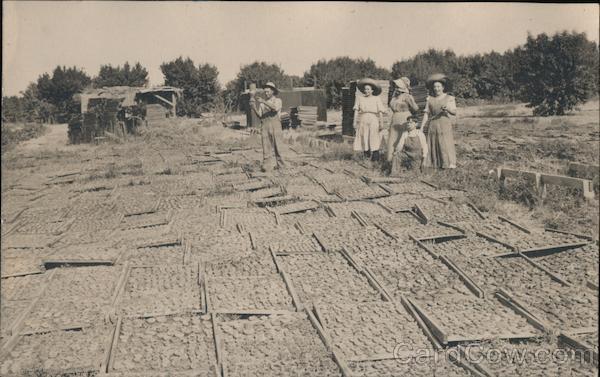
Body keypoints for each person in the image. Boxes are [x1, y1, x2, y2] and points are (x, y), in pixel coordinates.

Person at [421, 73, 457, 169]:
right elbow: (426, 113)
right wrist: (421, 128)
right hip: (433, 123)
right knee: (433, 142)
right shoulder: (430, 99)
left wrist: (447, 109)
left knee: (445, 143)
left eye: (438, 86)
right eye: (435, 87)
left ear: (443, 87)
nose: (436, 89)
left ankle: (448, 164)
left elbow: (454, 112)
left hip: (444, 123)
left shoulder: (449, 98)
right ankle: (435, 164)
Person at [250, 82, 286, 172]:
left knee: (278, 147)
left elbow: (274, 108)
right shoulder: (262, 104)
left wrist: (263, 101)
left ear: (273, 91)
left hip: (276, 126)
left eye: (268, 92)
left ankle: (281, 166)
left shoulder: (278, 100)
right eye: (265, 92)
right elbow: (260, 116)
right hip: (265, 126)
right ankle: (266, 166)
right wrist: (254, 107)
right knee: (266, 147)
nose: (266, 93)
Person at [386, 77, 420, 164]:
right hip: (395, 119)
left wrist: (407, 107)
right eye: (396, 86)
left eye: (398, 86)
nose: (397, 88)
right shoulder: (394, 96)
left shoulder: (407, 96)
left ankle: (404, 160)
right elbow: (391, 106)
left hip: (404, 118)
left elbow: (415, 108)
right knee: (393, 139)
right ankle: (391, 161)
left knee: (403, 138)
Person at [352, 78, 386, 162]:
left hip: (373, 119)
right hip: (363, 119)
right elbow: (356, 111)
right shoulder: (360, 98)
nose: (366, 91)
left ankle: (375, 158)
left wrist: (381, 123)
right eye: (365, 89)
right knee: (364, 137)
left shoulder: (376, 98)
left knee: (374, 137)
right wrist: (354, 122)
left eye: (368, 89)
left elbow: (380, 112)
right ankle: (366, 156)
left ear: (372, 90)